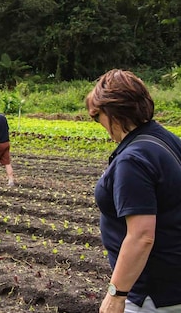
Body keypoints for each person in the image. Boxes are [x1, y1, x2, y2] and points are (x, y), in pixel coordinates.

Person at [88, 69, 181, 313]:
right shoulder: (167, 140)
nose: (100, 124)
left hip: (150, 295)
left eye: (98, 116)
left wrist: (116, 294)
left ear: (111, 113)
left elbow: (142, 236)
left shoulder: (134, 159)